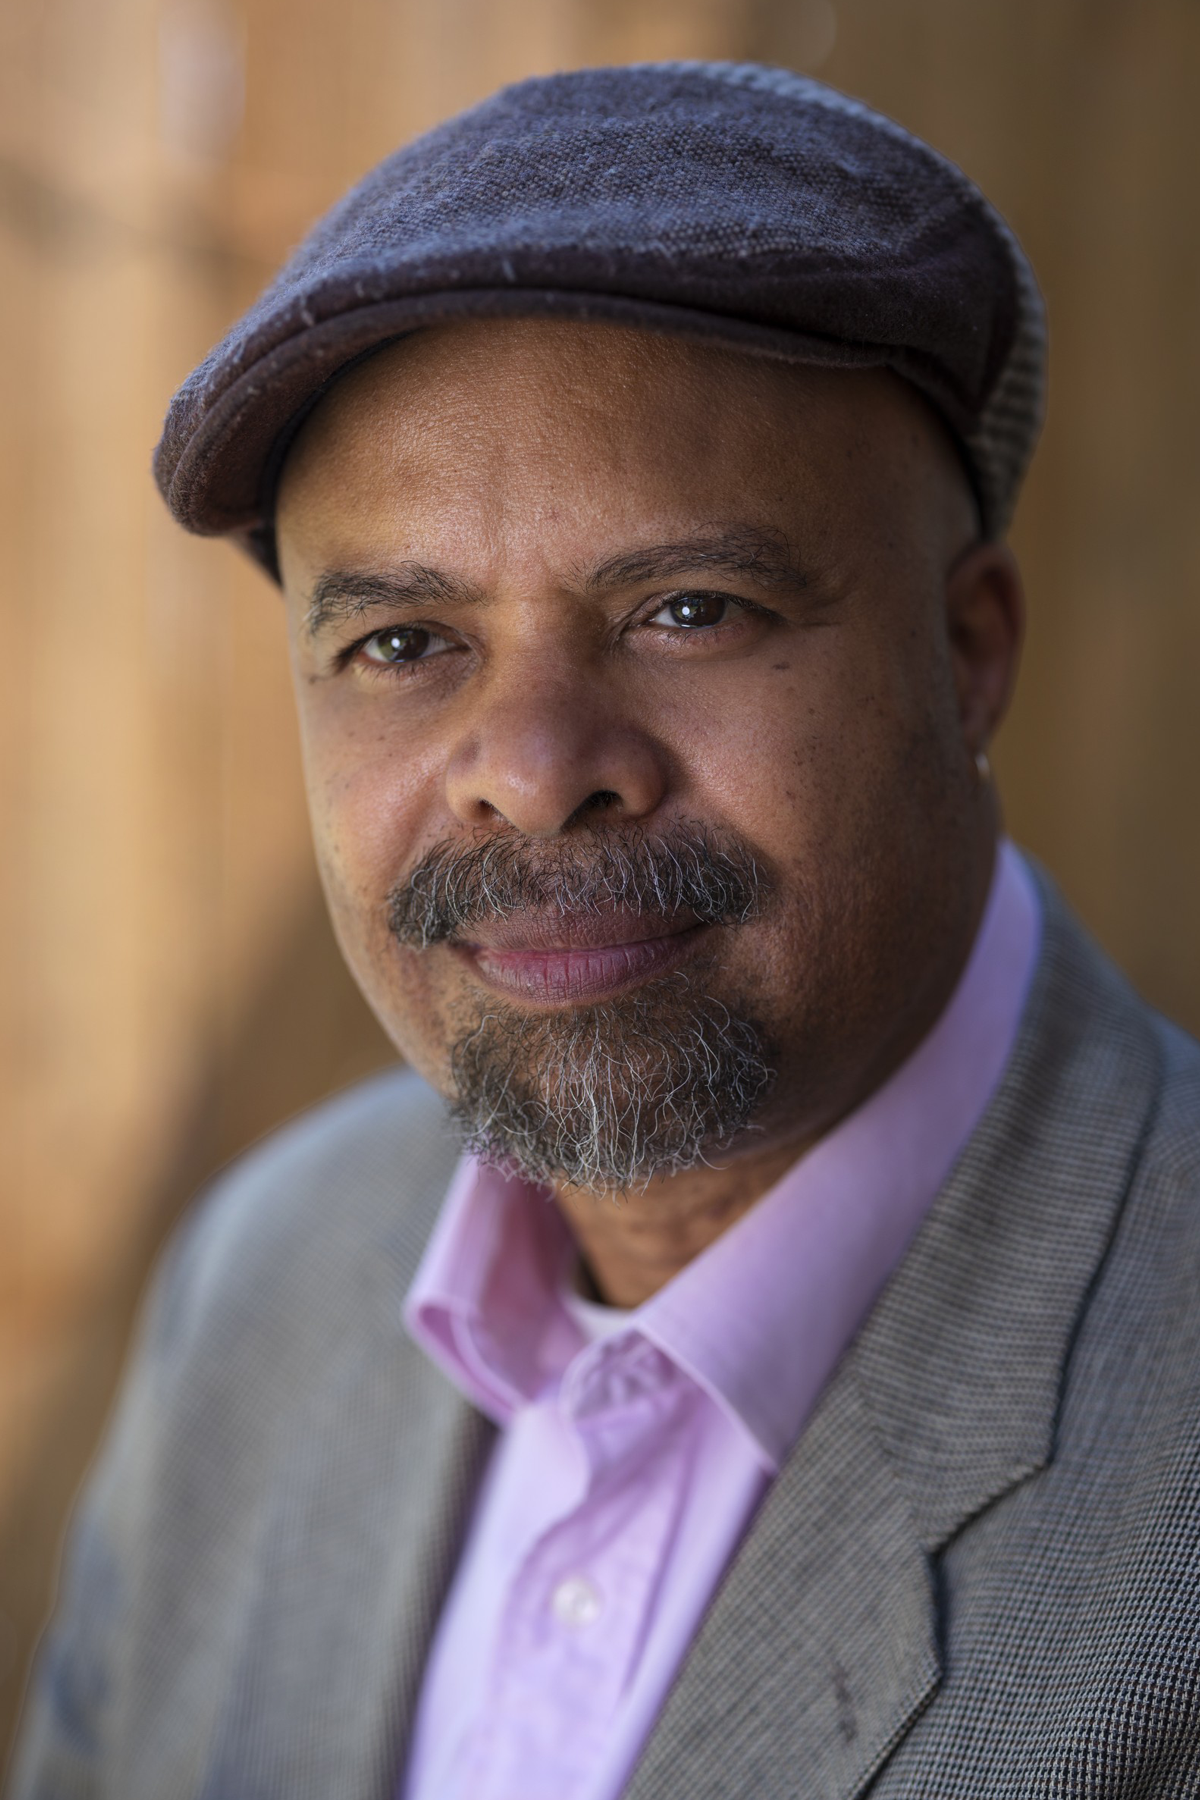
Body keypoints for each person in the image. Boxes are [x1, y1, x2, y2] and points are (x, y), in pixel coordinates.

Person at [10, 61, 1200, 1800]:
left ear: (969, 653)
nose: (534, 772)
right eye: (405, 646)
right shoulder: (263, 1281)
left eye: (688, 609)